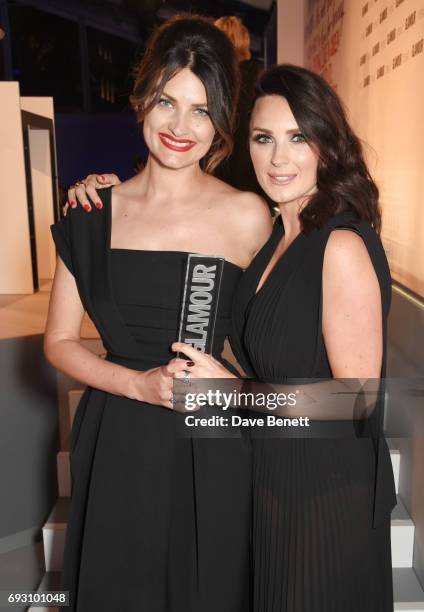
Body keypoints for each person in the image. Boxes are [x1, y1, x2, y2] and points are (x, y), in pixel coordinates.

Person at [68, 64, 397, 610]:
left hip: (325, 496)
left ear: (328, 145)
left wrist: (230, 395)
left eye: (299, 138)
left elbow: (358, 401)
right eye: (264, 139)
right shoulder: (279, 238)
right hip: (271, 481)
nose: (278, 158)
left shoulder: (340, 245)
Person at [45, 15, 271, 612]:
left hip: (213, 438)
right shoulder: (91, 210)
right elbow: (60, 342)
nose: (180, 126)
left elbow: (269, 343)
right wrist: (137, 386)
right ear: (142, 97)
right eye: (168, 101)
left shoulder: (248, 215)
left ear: (221, 118)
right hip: (119, 431)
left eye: (201, 110)